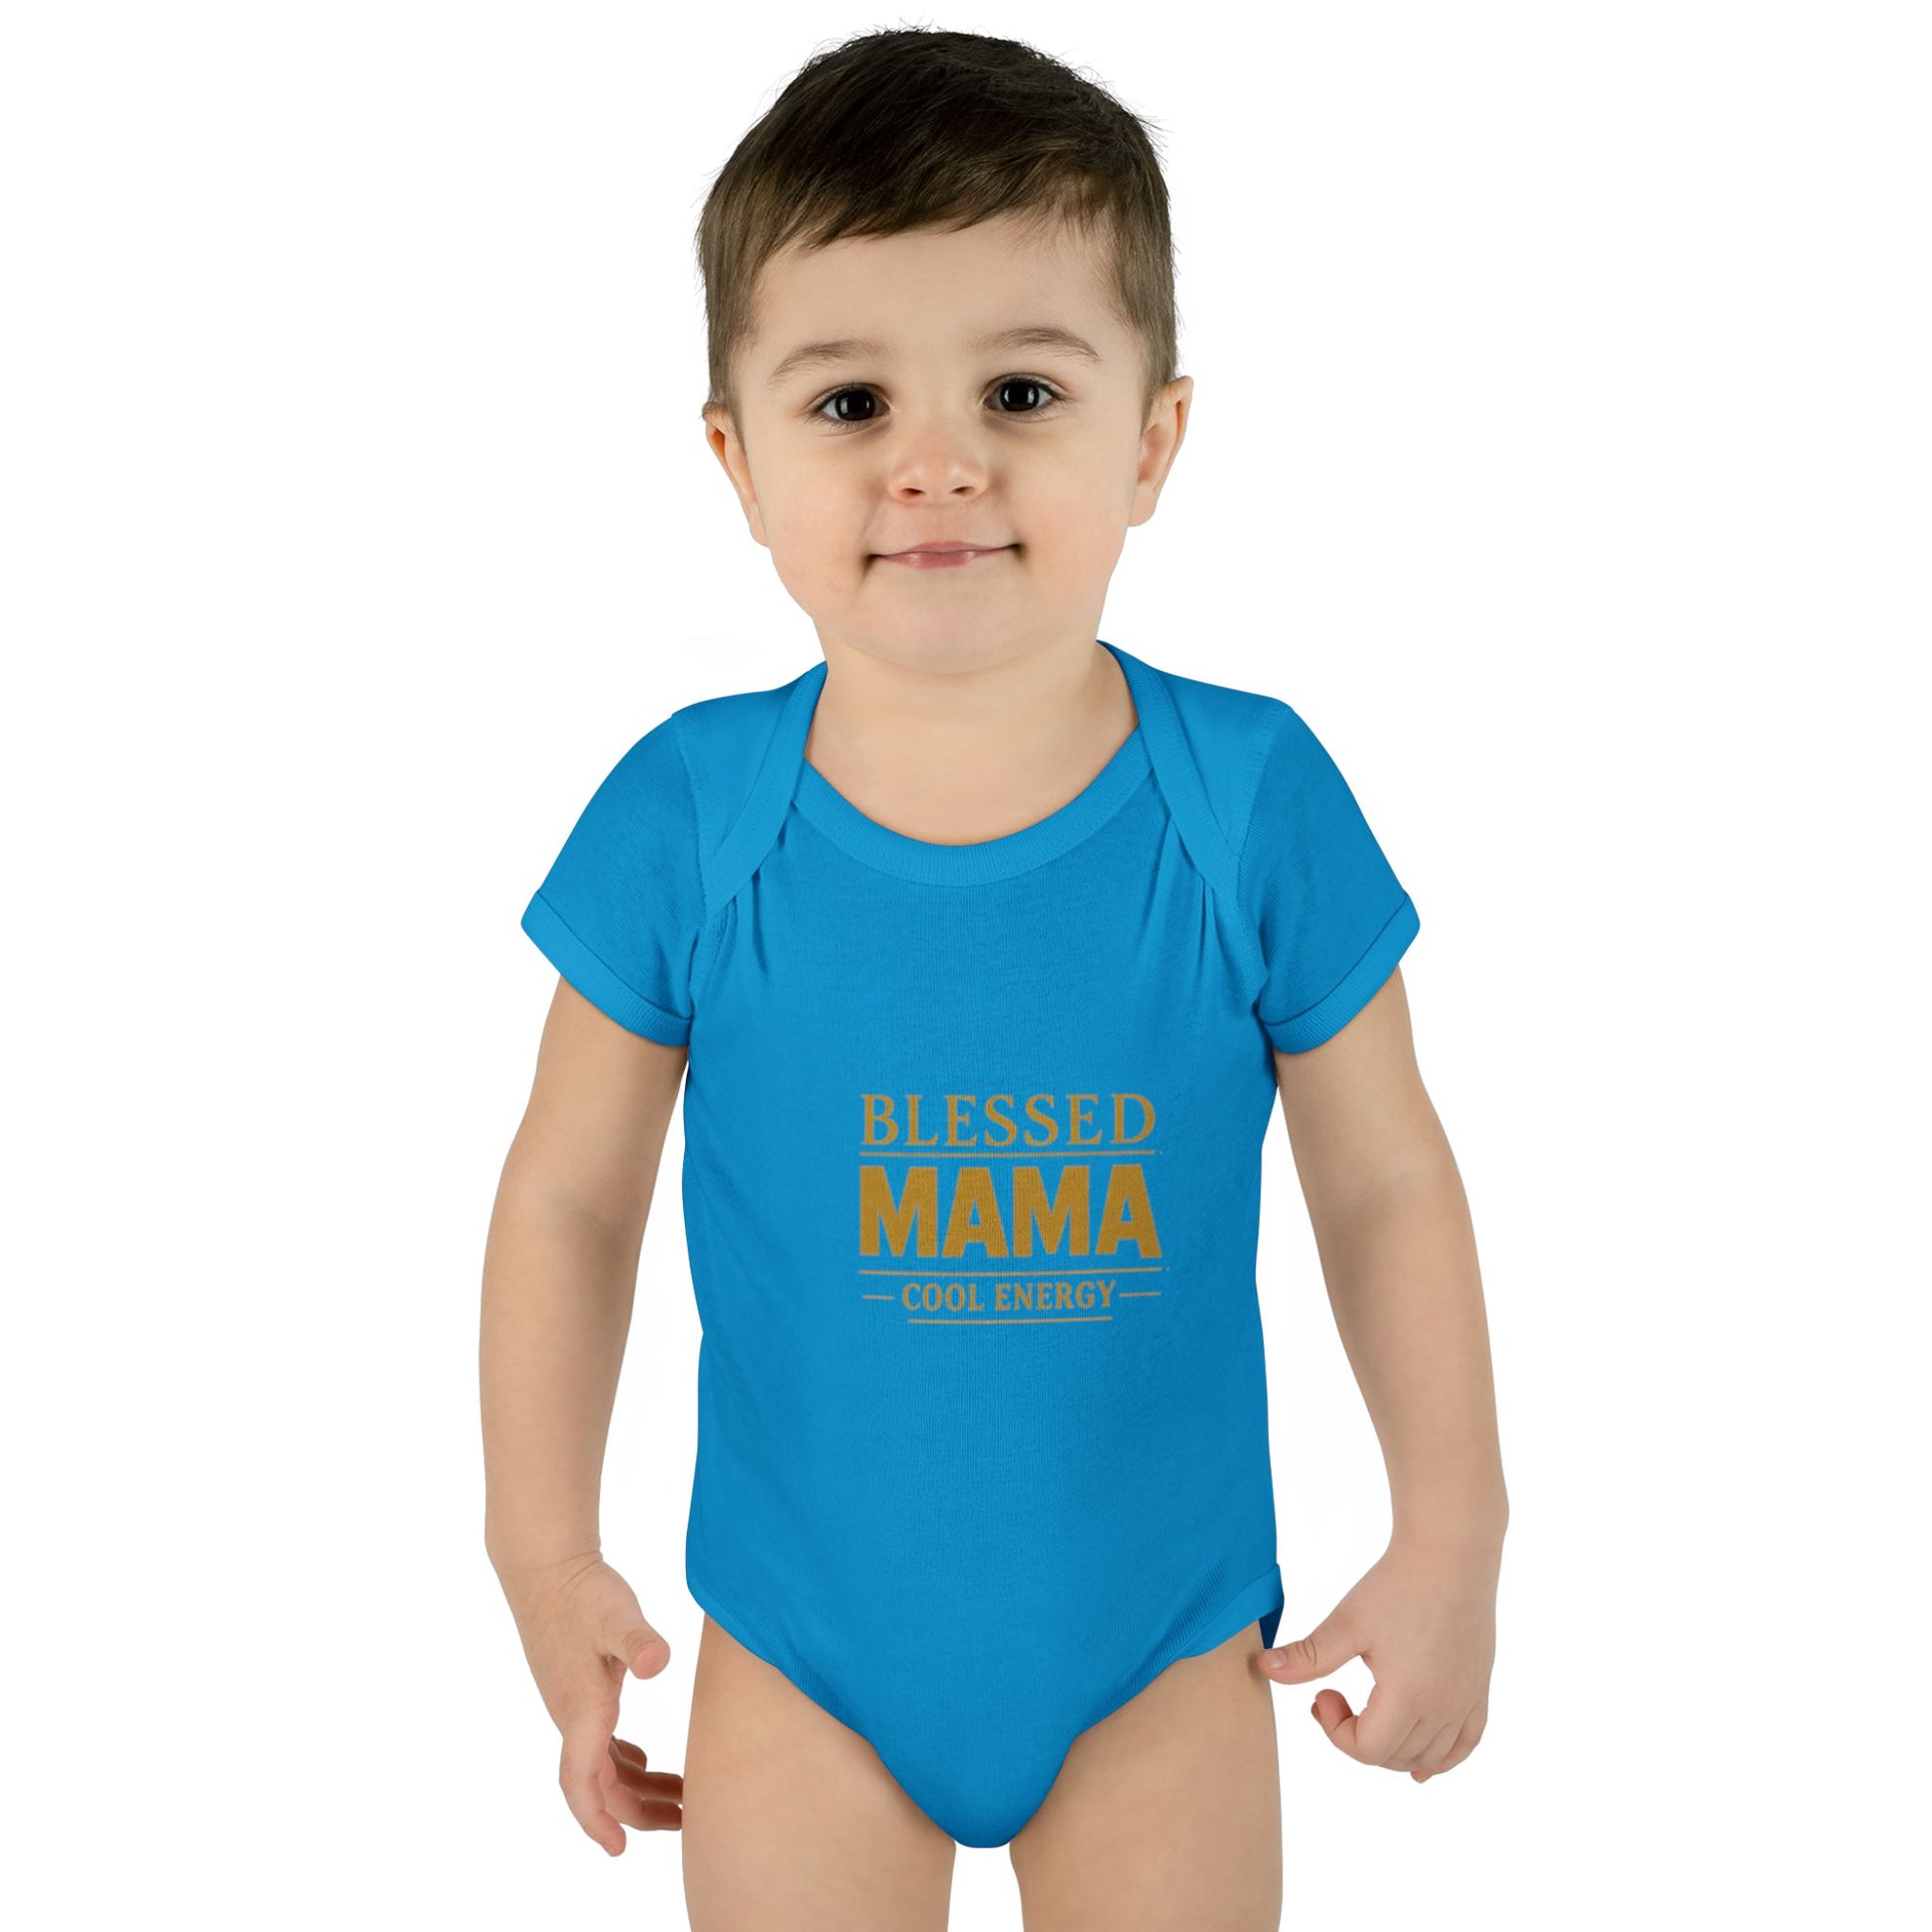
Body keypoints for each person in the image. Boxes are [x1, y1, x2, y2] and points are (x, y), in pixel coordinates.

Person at [481, 26, 1506, 1932]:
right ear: (737, 461)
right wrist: (542, 1554)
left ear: (1152, 441)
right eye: (850, 400)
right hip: (799, 1645)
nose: (936, 462)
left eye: (1019, 389)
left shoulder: (1249, 795)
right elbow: (566, 1198)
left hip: (1159, 1644)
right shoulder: (688, 815)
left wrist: (1454, 1528)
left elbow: (1380, 1179)